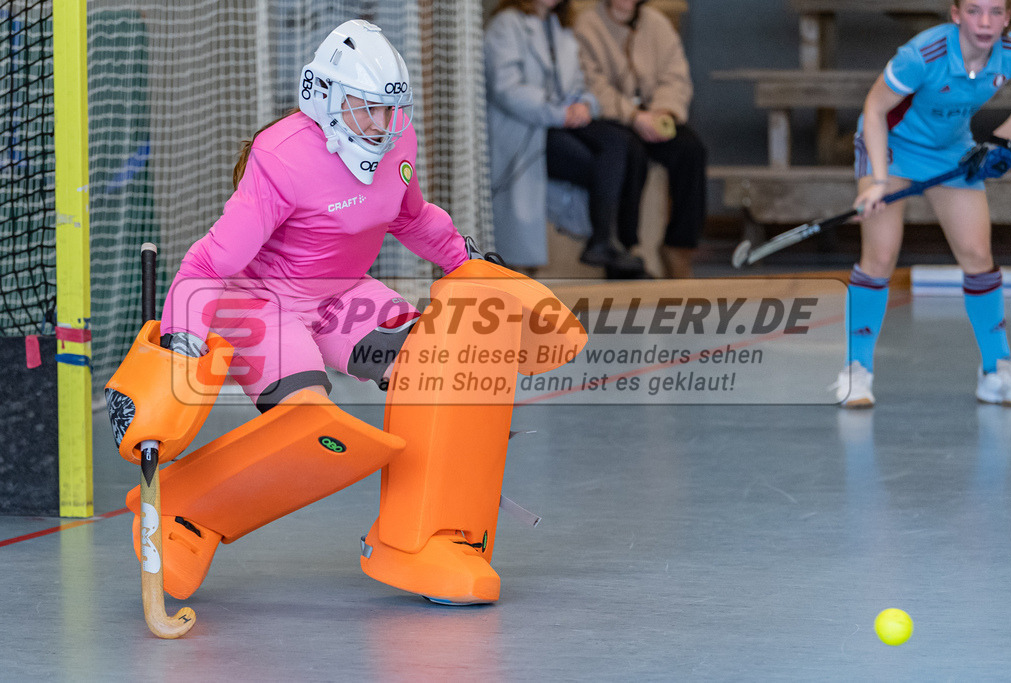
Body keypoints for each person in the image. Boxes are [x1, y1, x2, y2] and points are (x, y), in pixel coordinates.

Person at [108, 19, 585, 606]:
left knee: (443, 366)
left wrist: (468, 260)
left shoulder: (397, 139)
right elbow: (206, 268)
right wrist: (179, 349)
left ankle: (423, 543)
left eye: (391, 110)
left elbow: (410, 218)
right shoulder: (281, 157)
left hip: (339, 294)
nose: (383, 126)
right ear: (324, 98)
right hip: (260, 304)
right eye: (367, 110)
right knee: (313, 432)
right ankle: (184, 511)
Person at [839, 0, 1011, 408]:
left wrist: (1001, 137)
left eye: (996, 12)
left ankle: (996, 371)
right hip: (891, 147)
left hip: (949, 151)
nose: (986, 22)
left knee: (978, 254)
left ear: (1008, 17)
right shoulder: (923, 54)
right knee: (881, 257)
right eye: (975, 11)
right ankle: (856, 370)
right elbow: (873, 109)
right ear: (955, 14)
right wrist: (878, 183)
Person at [484, 0, 647, 277]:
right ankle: (605, 243)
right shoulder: (506, 25)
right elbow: (506, 89)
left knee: (626, 143)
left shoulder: (561, 27)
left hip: (562, 120)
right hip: (531, 128)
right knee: (600, 163)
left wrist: (584, 104)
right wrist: (558, 112)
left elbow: (578, 83)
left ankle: (608, 242)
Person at [575, 0, 707, 278]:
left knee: (691, 150)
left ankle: (678, 245)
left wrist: (662, 113)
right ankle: (627, 248)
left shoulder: (656, 24)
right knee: (629, 152)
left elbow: (676, 77)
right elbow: (592, 84)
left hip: (656, 115)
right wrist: (634, 116)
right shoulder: (587, 25)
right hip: (614, 120)